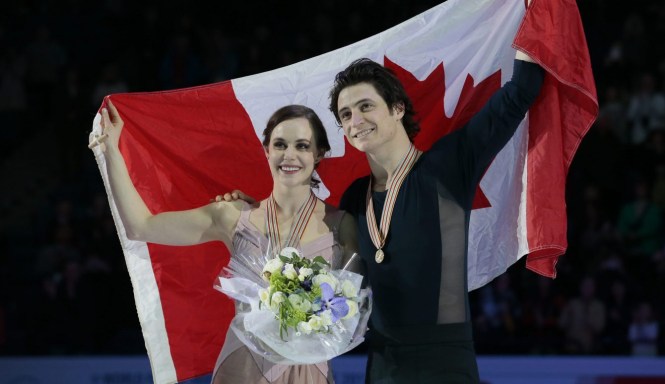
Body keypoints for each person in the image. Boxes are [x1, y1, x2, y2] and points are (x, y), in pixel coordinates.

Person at [93, 101, 358, 383]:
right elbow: (140, 226)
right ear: (266, 150)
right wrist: (111, 149)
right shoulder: (232, 215)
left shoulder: (342, 225)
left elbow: (357, 307)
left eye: (302, 146)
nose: (289, 155)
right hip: (243, 369)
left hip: (310, 372)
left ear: (319, 154)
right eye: (280, 144)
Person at [326, 48, 543, 381]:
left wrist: (537, 12)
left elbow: (520, 91)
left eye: (365, 106)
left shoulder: (446, 167)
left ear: (397, 108)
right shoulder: (355, 198)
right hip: (383, 368)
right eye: (345, 114)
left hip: (446, 368)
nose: (355, 121)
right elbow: (347, 284)